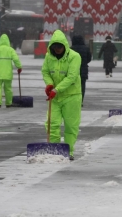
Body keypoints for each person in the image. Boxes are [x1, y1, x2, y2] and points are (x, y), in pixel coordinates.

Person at [41, 29, 82, 161]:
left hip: (72, 96)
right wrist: (49, 84)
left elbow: (71, 77)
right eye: (55, 47)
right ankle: (54, 150)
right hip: (55, 97)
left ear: (65, 45)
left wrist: (56, 89)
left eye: (60, 47)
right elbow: (45, 72)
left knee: (70, 125)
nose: (58, 49)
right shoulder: (48, 57)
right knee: (52, 124)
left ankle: (68, 151)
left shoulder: (74, 57)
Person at [71, 35, 92, 106]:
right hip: (83, 69)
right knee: (82, 86)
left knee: (73, 86)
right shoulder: (86, 49)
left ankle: (73, 100)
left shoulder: (71, 49)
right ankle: (80, 101)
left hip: (73, 70)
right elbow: (89, 58)